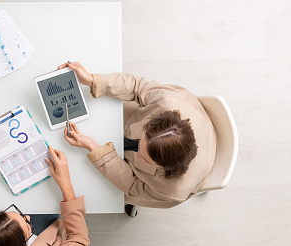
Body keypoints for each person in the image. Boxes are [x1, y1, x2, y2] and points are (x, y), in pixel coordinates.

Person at [57, 61, 217, 211]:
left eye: (146, 159)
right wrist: (93, 80)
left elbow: (132, 186)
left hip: (197, 168)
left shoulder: (171, 190)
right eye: (141, 144)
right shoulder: (167, 101)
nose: (138, 155)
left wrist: (92, 147)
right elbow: (136, 87)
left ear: (164, 168)